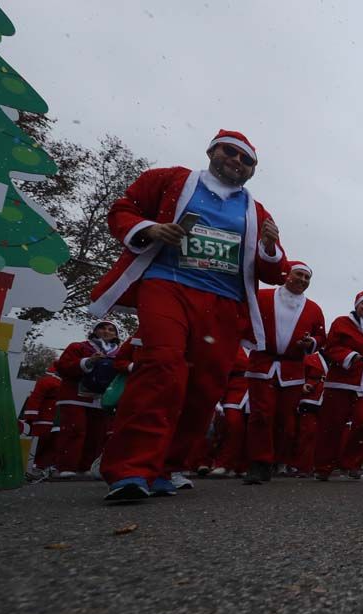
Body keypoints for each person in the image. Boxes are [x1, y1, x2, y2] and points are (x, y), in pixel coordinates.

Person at [91, 130, 287, 501]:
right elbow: (122, 209)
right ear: (212, 150)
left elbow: (274, 273)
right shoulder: (171, 180)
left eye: (247, 160)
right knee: (161, 367)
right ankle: (130, 470)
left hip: (224, 302)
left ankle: (168, 466)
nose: (237, 162)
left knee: (204, 387)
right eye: (231, 152)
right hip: (168, 285)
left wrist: (269, 245)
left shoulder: (256, 211)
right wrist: (149, 228)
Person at [243, 261, 325, 484]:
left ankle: (276, 460)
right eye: (299, 275)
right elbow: (244, 319)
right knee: (261, 415)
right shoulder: (263, 297)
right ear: (287, 275)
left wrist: (311, 343)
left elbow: (321, 337)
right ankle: (258, 463)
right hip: (263, 363)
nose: (303, 280)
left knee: (285, 420)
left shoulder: (314, 309)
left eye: (307, 278)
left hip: (292, 368)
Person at [317, 290, 363, 480]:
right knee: (332, 424)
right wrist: (349, 356)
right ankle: (324, 466)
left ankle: (351, 463)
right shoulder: (342, 323)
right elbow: (331, 346)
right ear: (356, 305)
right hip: (341, 379)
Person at [53, 320, 123, 478]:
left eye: (111, 329)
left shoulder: (119, 354)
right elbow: (63, 367)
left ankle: (85, 467)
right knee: (74, 431)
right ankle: (66, 467)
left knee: (96, 435)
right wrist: (89, 361)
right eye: (102, 328)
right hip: (75, 396)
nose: (106, 331)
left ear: (116, 335)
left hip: (101, 399)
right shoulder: (78, 347)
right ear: (94, 331)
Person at [208, 347, 251, 478]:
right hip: (234, 390)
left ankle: (243, 465)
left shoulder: (262, 347)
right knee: (233, 425)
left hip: (255, 390)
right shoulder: (234, 347)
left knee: (250, 429)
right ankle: (223, 463)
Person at [20, 362, 62, 477]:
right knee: (40, 442)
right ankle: (31, 465)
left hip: (55, 420)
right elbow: (36, 398)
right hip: (45, 419)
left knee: (52, 444)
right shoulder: (47, 382)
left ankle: (41, 466)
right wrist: (31, 416)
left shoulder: (61, 383)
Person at [291, 351, 328, 477]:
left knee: (324, 435)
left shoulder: (340, 359)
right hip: (310, 398)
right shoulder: (310, 359)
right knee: (307, 433)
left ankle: (320, 467)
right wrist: (303, 385)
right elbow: (299, 374)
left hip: (329, 398)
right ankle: (303, 466)